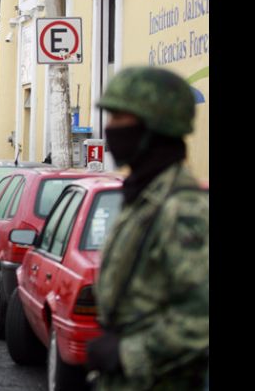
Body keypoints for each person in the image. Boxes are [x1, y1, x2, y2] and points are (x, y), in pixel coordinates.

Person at [87, 66, 208, 390]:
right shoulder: (143, 197)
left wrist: (127, 353)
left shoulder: (182, 209)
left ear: (156, 125)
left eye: (120, 118)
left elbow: (201, 318)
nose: (110, 128)